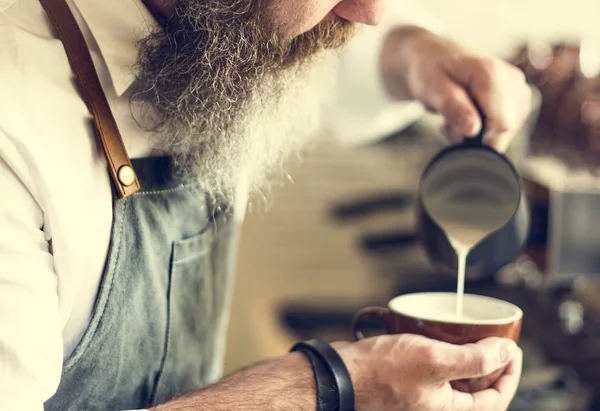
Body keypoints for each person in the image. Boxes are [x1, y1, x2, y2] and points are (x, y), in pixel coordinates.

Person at [0, 0, 531, 410]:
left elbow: (340, 54)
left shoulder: (217, 37)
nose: (370, 13)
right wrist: (326, 386)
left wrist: (415, 52)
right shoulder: (15, 124)